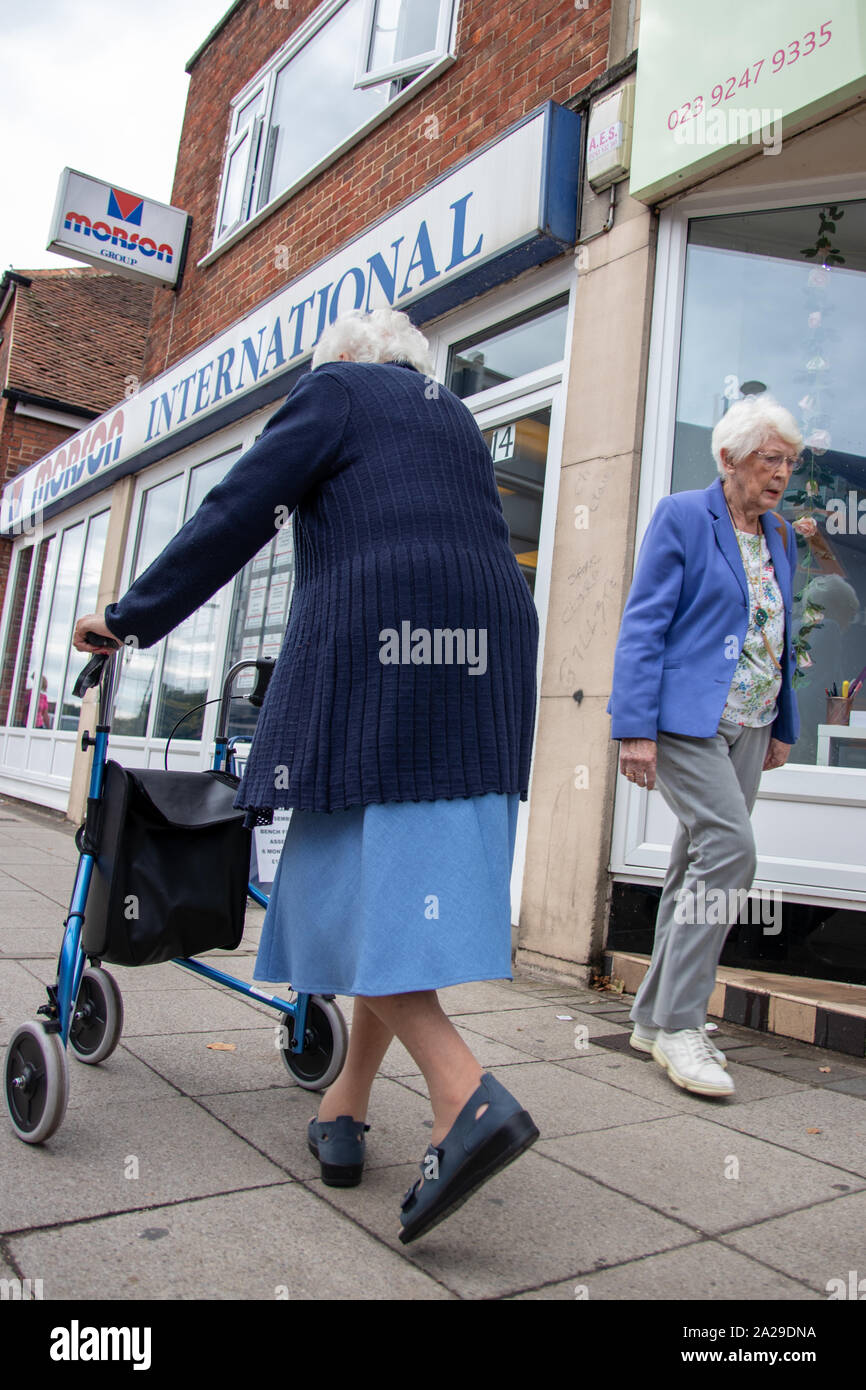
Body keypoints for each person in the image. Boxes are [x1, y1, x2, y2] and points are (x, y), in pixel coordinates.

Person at [73, 307, 540, 1243]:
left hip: (378, 661)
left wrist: (132, 618)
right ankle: (343, 1110)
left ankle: (464, 1098)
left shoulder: (334, 391)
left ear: (342, 365)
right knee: (390, 897)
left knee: (342, 903)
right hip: (478, 660)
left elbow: (236, 508)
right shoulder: (446, 411)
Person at [607, 394, 801, 1098]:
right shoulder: (684, 516)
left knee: (697, 859)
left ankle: (653, 1017)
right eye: (768, 459)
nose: (780, 473)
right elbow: (644, 624)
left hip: (749, 723)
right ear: (728, 459)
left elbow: (776, 636)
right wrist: (633, 728)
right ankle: (683, 1024)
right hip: (687, 720)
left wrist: (782, 726)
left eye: (789, 461)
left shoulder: (778, 534)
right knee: (731, 853)